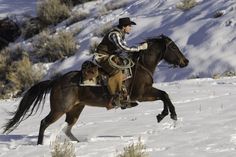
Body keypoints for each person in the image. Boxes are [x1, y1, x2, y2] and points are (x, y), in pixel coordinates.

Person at [96, 17, 148, 107]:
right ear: (124, 27)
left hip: (110, 57)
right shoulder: (115, 34)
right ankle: (116, 98)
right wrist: (139, 48)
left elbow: (123, 50)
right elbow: (123, 48)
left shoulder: (121, 34)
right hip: (102, 57)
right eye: (129, 26)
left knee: (126, 69)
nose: (131, 28)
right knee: (116, 71)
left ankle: (124, 94)